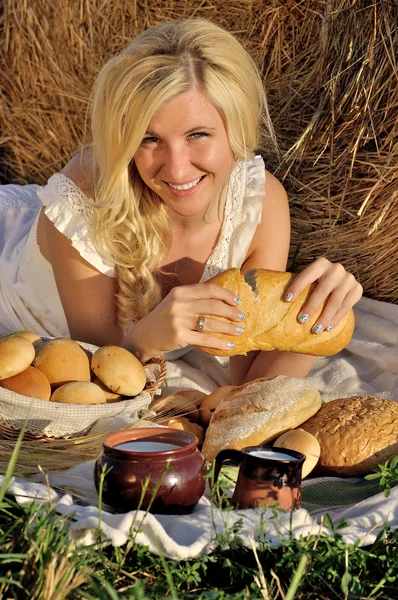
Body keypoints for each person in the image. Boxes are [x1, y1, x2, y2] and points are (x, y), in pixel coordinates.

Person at [0, 18, 362, 387]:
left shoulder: (260, 204)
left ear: (239, 130)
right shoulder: (84, 198)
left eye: (198, 135)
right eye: (149, 139)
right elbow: (103, 373)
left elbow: (249, 385)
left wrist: (316, 322)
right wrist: (146, 338)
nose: (176, 169)